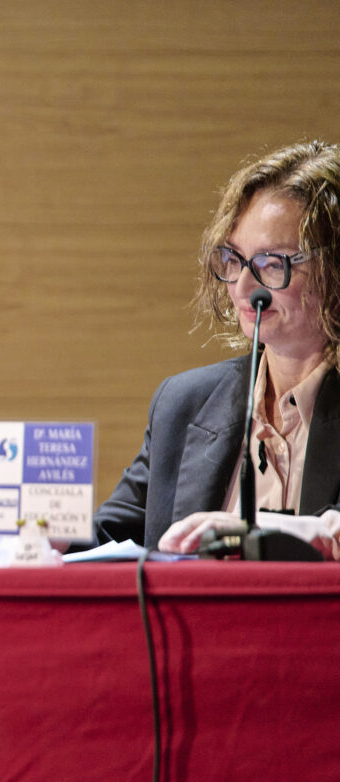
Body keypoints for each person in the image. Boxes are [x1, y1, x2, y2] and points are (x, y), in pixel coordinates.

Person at [95, 140, 340, 558]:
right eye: (234, 259)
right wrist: (28, 530)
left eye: (272, 263)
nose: (242, 287)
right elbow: (104, 540)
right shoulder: (184, 404)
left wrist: (269, 530)